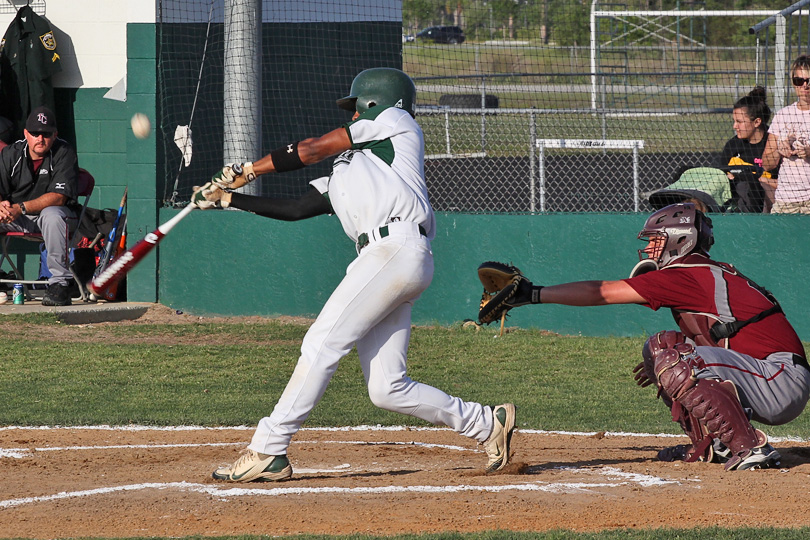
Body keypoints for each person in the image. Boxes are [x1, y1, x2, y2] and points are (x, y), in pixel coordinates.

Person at [193, 67, 516, 482]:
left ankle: (268, 449)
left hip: (395, 248)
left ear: (375, 103)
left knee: (321, 343)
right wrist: (229, 199)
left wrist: (248, 168)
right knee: (387, 388)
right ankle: (486, 423)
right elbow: (294, 210)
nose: (351, 116)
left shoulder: (397, 124)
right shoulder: (348, 169)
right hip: (387, 259)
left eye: (356, 108)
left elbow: (309, 149)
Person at [484, 203, 808, 470]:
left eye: (656, 239)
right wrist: (666, 363)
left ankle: (751, 449)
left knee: (672, 354)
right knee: (659, 351)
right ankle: (715, 445)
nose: (649, 247)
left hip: (780, 379)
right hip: (770, 377)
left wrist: (533, 293)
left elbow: (602, 293)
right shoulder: (700, 272)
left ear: (680, 240)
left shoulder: (688, 273)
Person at [0, 106, 79, 306]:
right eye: (35, 133)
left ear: (55, 135)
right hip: (16, 218)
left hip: (56, 219)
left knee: (52, 214)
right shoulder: (11, 153)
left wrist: (21, 208)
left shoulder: (64, 152)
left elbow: (59, 197)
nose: (40, 139)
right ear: (26, 133)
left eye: (45, 134)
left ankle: (59, 284)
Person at [762, 55, 810, 214]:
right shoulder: (783, 115)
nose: (805, 86)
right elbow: (767, 163)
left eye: (809, 80)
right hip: (786, 200)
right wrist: (779, 151)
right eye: (799, 81)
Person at [720, 86, 775, 213]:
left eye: (739, 122)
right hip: (738, 200)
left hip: (769, 202)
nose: (735, 126)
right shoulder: (733, 145)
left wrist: (756, 179)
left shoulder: (772, 144)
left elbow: (784, 184)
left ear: (757, 122)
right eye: (734, 121)